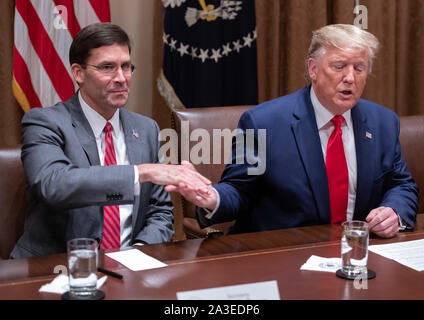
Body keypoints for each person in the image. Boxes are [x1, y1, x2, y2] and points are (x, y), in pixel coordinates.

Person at [169, 24, 418, 238]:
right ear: (313, 69)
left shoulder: (383, 122)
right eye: (339, 66)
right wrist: (212, 197)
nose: (350, 78)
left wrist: (394, 211)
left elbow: (402, 185)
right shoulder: (263, 123)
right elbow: (240, 191)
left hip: (357, 255)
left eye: (359, 68)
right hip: (285, 255)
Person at [11, 23, 210, 259]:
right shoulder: (45, 122)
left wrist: (137, 254)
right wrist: (139, 173)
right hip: (57, 266)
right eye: (107, 67)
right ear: (78, 73)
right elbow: (53, 184)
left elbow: (160, 212)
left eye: (126, 66)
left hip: (132, 267)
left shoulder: (146, 128)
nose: (121, 78)